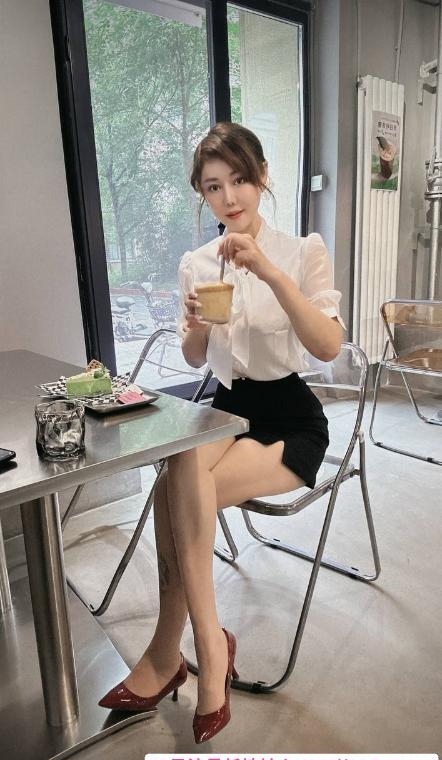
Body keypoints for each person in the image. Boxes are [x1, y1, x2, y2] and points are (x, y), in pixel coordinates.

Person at [99, 122, 344, 743]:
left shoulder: (302, 250)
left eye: (239, 180)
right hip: (227, 408)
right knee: (181, 463)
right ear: (202, 195)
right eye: (213, 186)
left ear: (262, 176)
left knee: (174, 489)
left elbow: (327, 347)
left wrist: (269, 271)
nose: (229, 197)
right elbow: (192, 356)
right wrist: (197, 326)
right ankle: (209, 644)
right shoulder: (197, 263)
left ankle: (172, 654)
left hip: (290, 417)